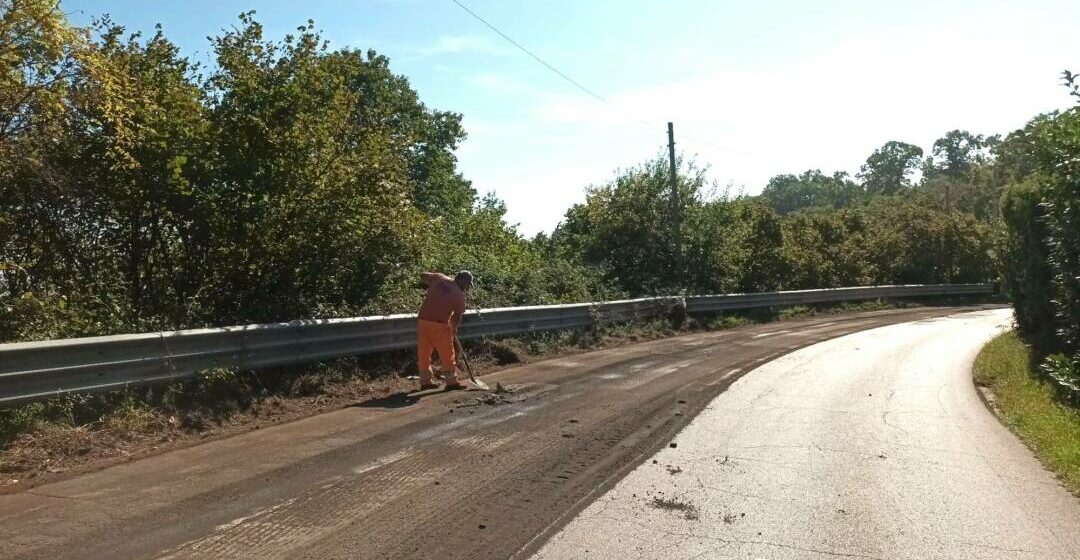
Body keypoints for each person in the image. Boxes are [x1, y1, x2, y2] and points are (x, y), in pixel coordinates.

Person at [416, 270, 473, 390]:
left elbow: (423, 275)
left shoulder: (439, 278)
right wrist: (453, 328)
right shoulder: (459, 295)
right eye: (467, 284)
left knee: (424, 353)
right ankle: (451, 382)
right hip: (439, 325)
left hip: (423, 322)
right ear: (462, 281)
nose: (467, 288)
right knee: (447, 354)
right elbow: (457, 316)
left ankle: (425, 382)